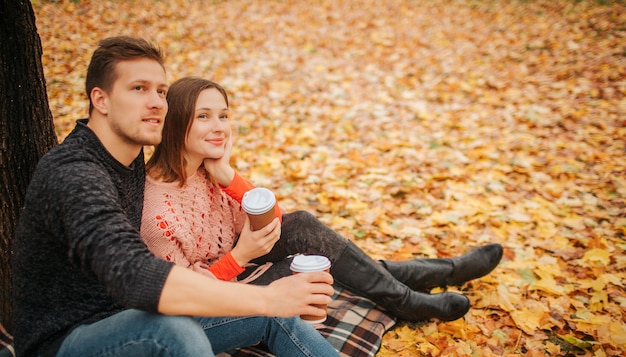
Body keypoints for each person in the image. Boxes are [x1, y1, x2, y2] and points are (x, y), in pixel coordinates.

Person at [11, 36, 403, 357]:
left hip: (132, 323)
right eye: (138, 88)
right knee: (174, 330)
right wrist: (266, 298)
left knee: (270, 308)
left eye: (161, 91)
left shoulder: (128, 157)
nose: (155, 103)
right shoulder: (75, 175)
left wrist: (270, 299)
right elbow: (135, 276)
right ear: (101, 99)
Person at [141, 76, 504, 323]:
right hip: (220, 298)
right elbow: (184, 296)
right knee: (314, 261)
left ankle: (425, 284)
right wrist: (241, 257)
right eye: (203, 116)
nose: (219, 126)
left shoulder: (207, 169)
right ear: (174, 123)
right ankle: (425, 284)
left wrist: (228, 176)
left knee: (303, 227)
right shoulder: (157, 212)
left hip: (241, 266)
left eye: (223, 115)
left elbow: (278, 223)